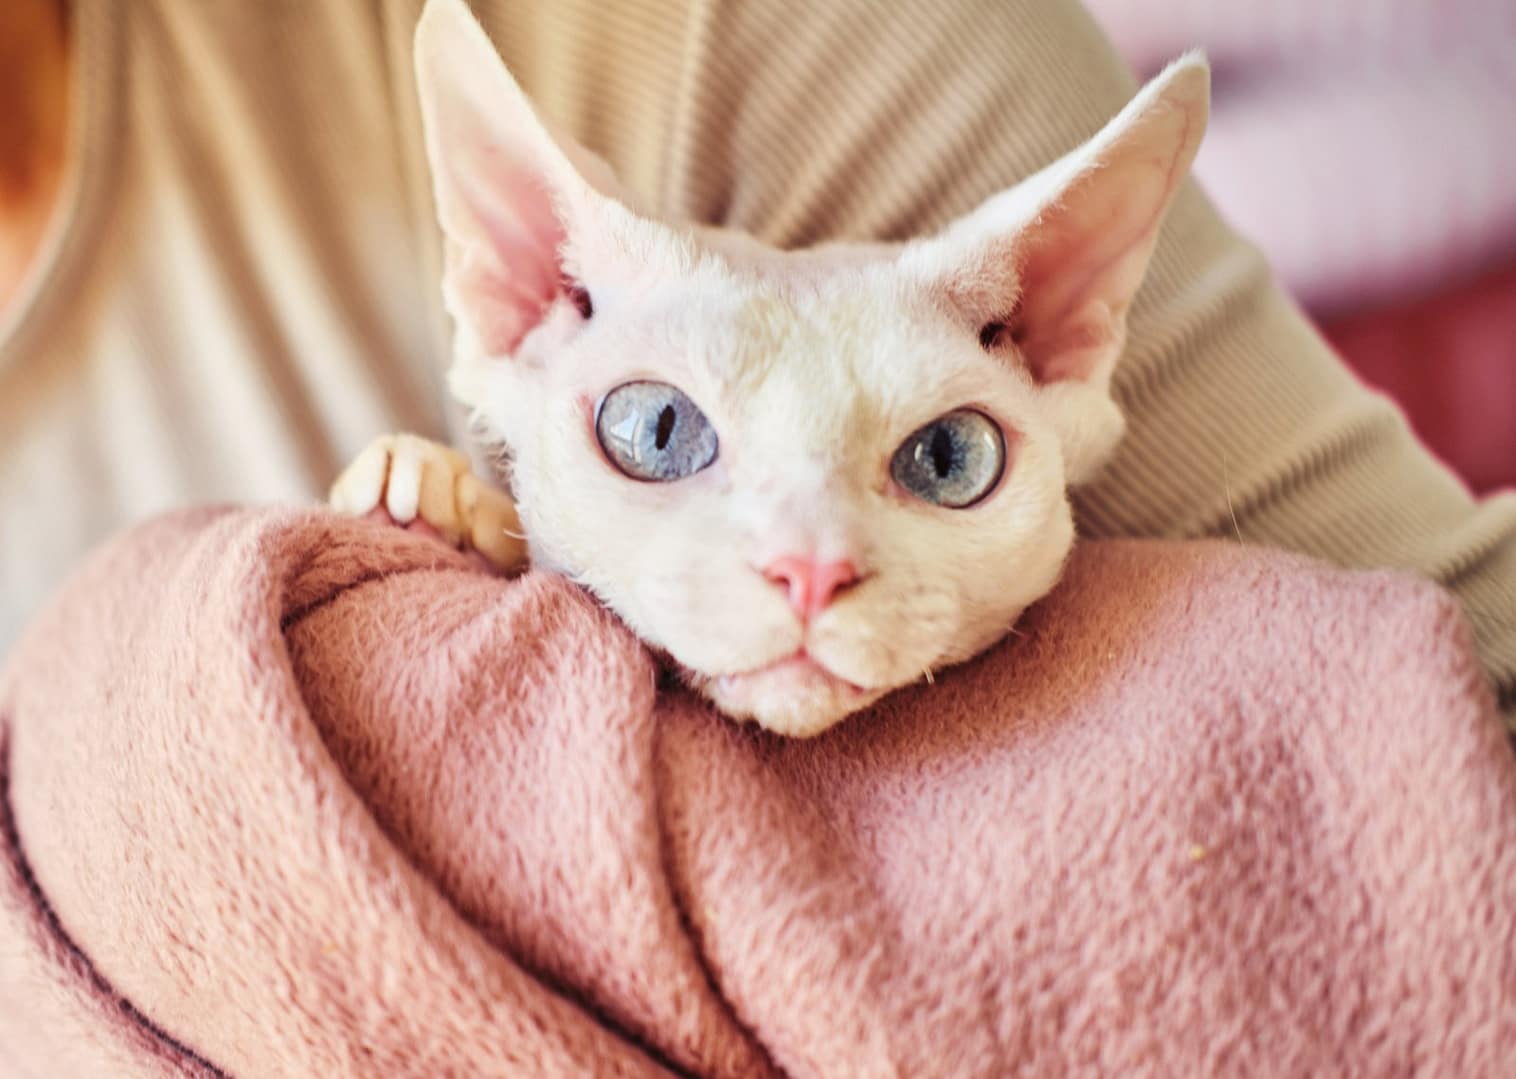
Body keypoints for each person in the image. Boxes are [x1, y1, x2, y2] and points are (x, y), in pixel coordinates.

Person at [2, 0, 1512, 726]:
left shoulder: (703, 28)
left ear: (1062, 350)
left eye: (942, 457)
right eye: (656, 436)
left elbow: (1470, 704)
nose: (807, 567)